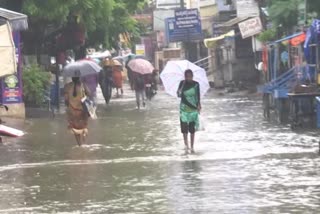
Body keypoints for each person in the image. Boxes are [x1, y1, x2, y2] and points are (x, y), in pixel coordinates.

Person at [177, 69, 201, 153]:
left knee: (192, 129)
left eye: (190, 76)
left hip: (193, 109)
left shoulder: (196, 84)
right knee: (184, 128)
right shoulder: (182, 83)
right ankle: (186, 145)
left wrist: (198, 105)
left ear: (192, 76)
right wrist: (181, 88)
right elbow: (179, 95)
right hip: (184, 109)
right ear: (185, 77)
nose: (189, 78)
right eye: (187, 77)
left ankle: (192, 146)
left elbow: (198, 95)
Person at [64, 76, 90, 146]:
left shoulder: (67, 86)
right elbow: (89, 93)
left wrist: (69, 105)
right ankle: (84, 137)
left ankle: (79, 144)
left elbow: (66, 100)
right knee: (84, 126)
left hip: (72, 111)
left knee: (75, 128)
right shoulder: (82, 85)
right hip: (82, 110)